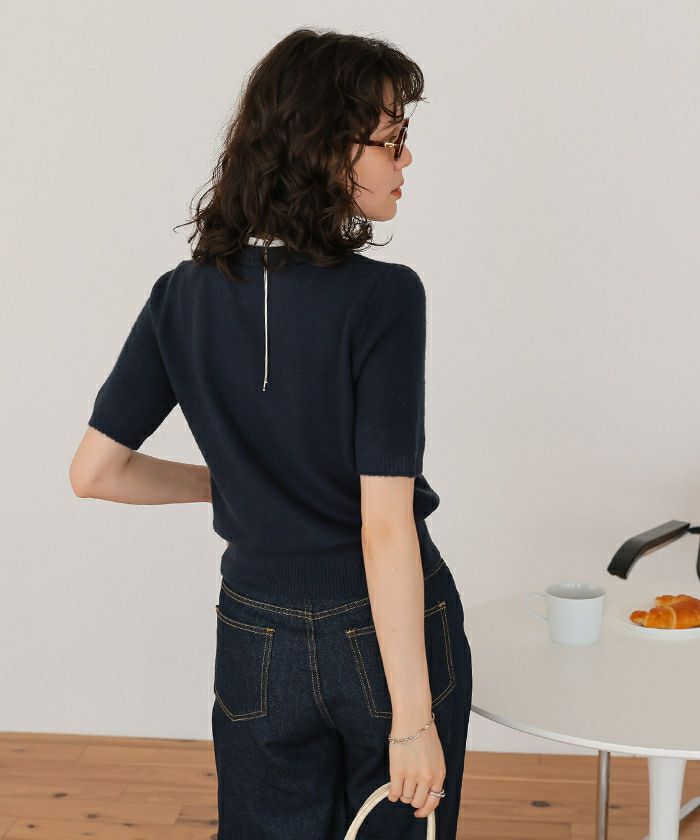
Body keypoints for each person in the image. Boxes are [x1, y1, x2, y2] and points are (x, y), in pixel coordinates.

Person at [69, 26, 472, 840]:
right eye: (391, 140)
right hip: (380, 631)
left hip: (254, 631)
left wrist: (226, 483)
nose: (406, 159)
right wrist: (412, 720)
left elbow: (95, 473)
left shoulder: (179, 296)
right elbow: (384, 525)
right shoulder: (385, 298)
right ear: (329, 149)